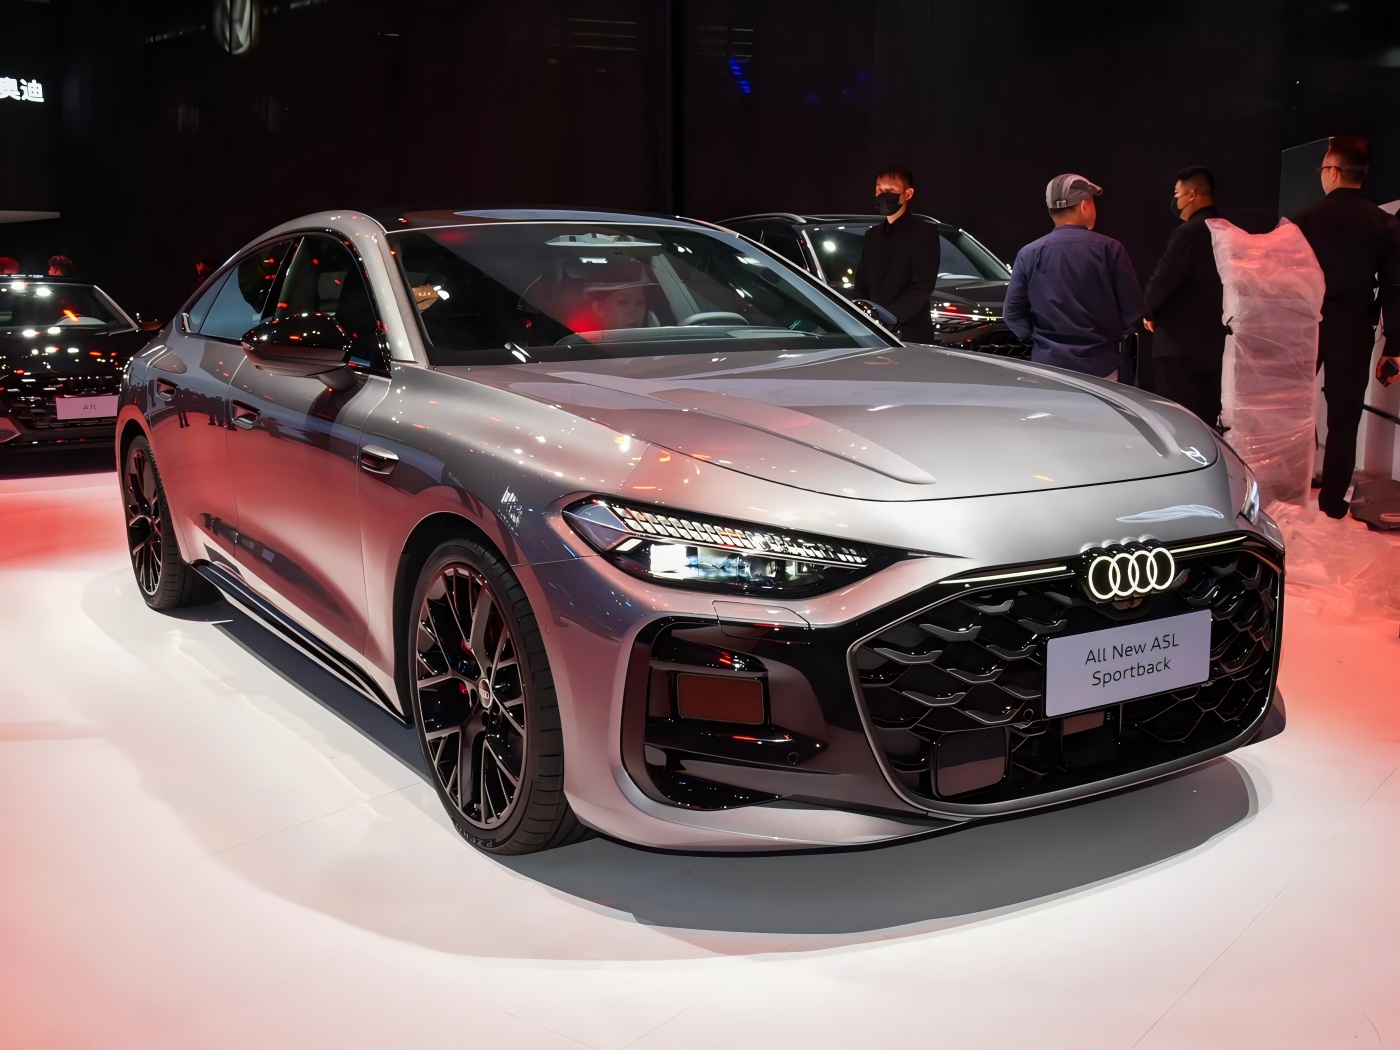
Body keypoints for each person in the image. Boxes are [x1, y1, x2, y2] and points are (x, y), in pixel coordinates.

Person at [1293, 137, 1400, 518]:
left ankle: (1287, 487)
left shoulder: (1303, 220)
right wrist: (1394, 347)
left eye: (1322, 170)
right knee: (1345, 415)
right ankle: (1333, 501)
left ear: (1334, 172)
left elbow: (1282, 282)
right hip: (1355, 326)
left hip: (1306, 323)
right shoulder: (1384, 223)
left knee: (1289, 406)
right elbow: (1394, 288)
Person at [1004, 174, 1144, 379]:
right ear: (1085, 205)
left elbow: (1012, 313)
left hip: (1048, 366)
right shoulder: (1110, 248)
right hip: (1101, 365)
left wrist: (1037, 337)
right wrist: (1105, 333)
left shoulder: (1028, 253)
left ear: (1051, 210)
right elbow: (1132, 308)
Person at [1142, 166, 1226, 426]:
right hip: (1216, 342)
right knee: (1208, 419)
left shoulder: (1188, 232)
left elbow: (1164, 278)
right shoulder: (1226, 230)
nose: (1175, 200)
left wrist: (1148, 310)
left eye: (1177, 193)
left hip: (1178, 345)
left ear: (1192, 195)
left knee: (1179, 421)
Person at [851, 165, 941, 343]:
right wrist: (866, 316)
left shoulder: (924, 232)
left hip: (909, 333)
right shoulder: (872, 235)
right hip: (873, 332)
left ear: (907, 194)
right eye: (879, 189)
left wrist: (888, 319)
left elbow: (921, 286)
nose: (883, 194)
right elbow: (861, 283)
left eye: (890, 190)